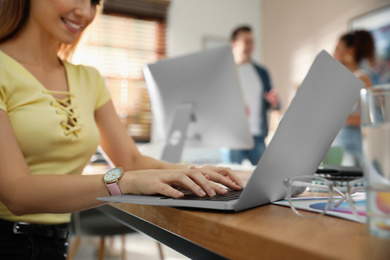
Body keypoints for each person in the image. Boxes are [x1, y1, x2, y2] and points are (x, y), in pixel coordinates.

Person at [0, 1, 244, 259]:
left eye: (93, 1)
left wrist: (193, 173)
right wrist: (123, 182)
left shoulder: (88, 79)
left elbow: (131, 159)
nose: (85, 12)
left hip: (56, 243)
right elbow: (17, 192)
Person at [229, 25, 279, 165]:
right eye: (246, 41)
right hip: (233, 136)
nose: (251, 45)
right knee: (228, 178)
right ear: (234, 44)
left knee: (261, 174)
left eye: (252, 41)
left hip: (257, 135)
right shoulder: (226, 72)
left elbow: (273, 103)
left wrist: (274, 101)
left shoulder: (261, 72)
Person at [332, 30, 376, 166]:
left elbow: (369, 117)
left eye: (338, 48)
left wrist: (336, 117)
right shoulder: (344, 78)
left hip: (352, 148)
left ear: (350, 51)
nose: (334, 52)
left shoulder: (362, 78)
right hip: (338, 145)